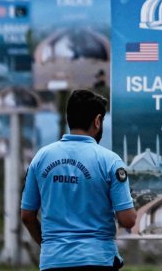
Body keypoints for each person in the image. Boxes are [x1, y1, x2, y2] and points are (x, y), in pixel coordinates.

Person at [21, 89, 136, 270]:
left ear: (68, 119)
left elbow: (27, 216)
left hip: (53, 261)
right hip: (98, 260)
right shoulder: (110, 161)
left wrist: (50, 246)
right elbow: (128, 220)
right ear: (97, 121)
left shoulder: (40, 158)